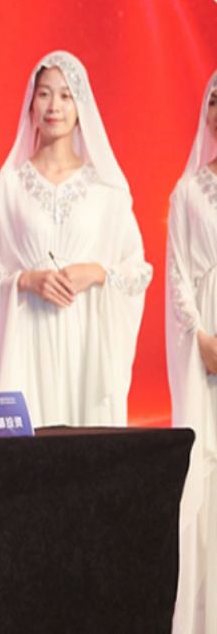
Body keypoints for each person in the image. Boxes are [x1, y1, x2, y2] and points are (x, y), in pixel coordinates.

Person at [0, 51, 151, 426]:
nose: (54, 106)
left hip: (87, 346)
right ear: (31, 104)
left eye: (66, 95)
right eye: (45, 94)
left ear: (81, 106)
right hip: (26, 343)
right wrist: (25, 281)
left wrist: (97, 272)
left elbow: (137, 272)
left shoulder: (106, 190)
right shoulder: (8, 187)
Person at [166, 70, 217, 634]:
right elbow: (178, 274)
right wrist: (200, 337)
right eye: (215, 101)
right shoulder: (187, 192)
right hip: (207, 358)